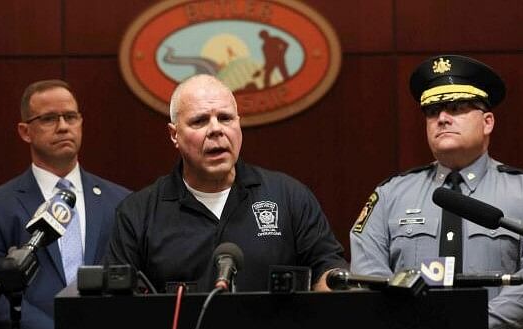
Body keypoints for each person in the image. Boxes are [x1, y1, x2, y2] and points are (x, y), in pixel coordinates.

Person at [349, 55, 523, 329]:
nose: (442, 118)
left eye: (456, 108)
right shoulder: (390, 194)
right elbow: (368, 275)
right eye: (432, 111)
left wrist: (466, 327)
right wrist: (414, 326)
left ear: (487, 122)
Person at [105, 74, 347, 292]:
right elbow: (117, 302)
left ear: (238, 124)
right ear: (174, 134)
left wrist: (330, 289)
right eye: (199, 121)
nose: (216, 130)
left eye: (225, 118)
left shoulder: (289, 197)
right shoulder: (138, 213)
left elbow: (329, 268)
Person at [0, 79, 131, 329]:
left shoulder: (122, 202)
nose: (63, 127)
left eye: (70, 117)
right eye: (48, 119)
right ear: (25, 131)